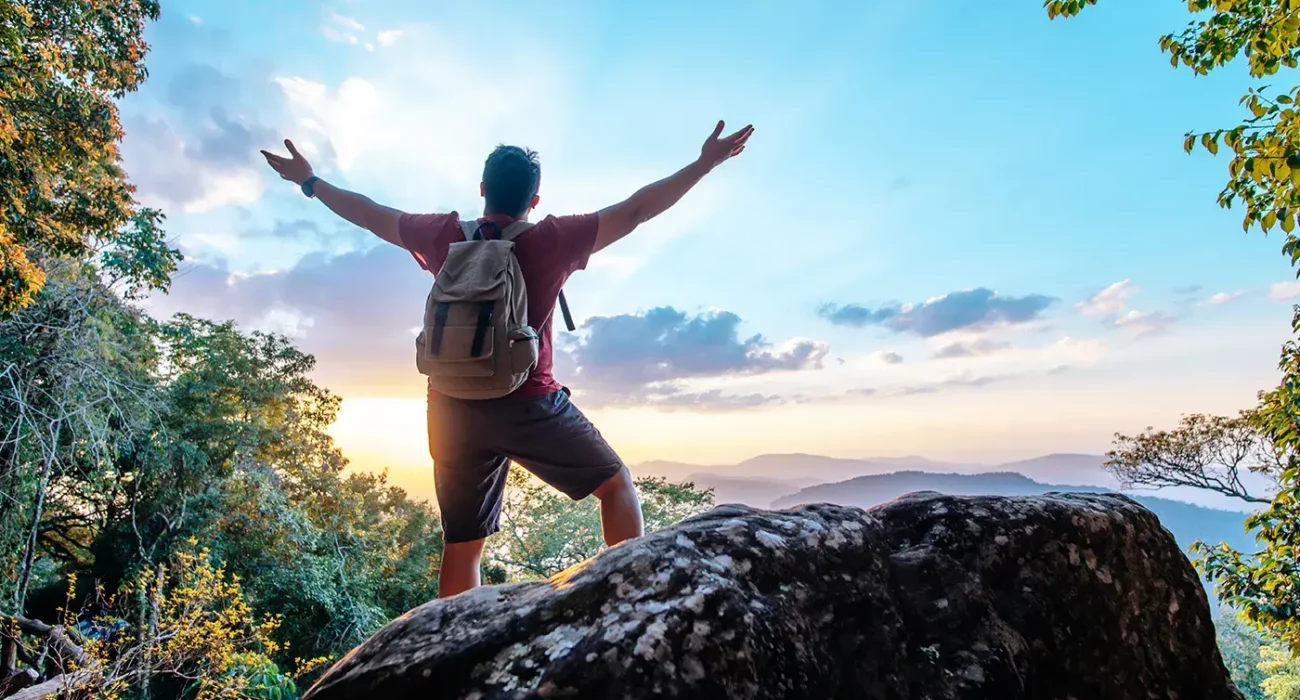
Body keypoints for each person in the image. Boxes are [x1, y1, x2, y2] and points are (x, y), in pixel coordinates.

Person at [260, 120, 754, 597]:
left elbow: (369, 213)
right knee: (617, 485)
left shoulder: (445, 234)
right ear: (533, 200)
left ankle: (450, 647)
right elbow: (636, 210)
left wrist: (309, 181)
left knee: (463, 546)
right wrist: (704, 164)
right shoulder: (553, 238)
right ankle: (632, 601)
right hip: (530, 402)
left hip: (451, 406)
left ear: (482, 189)